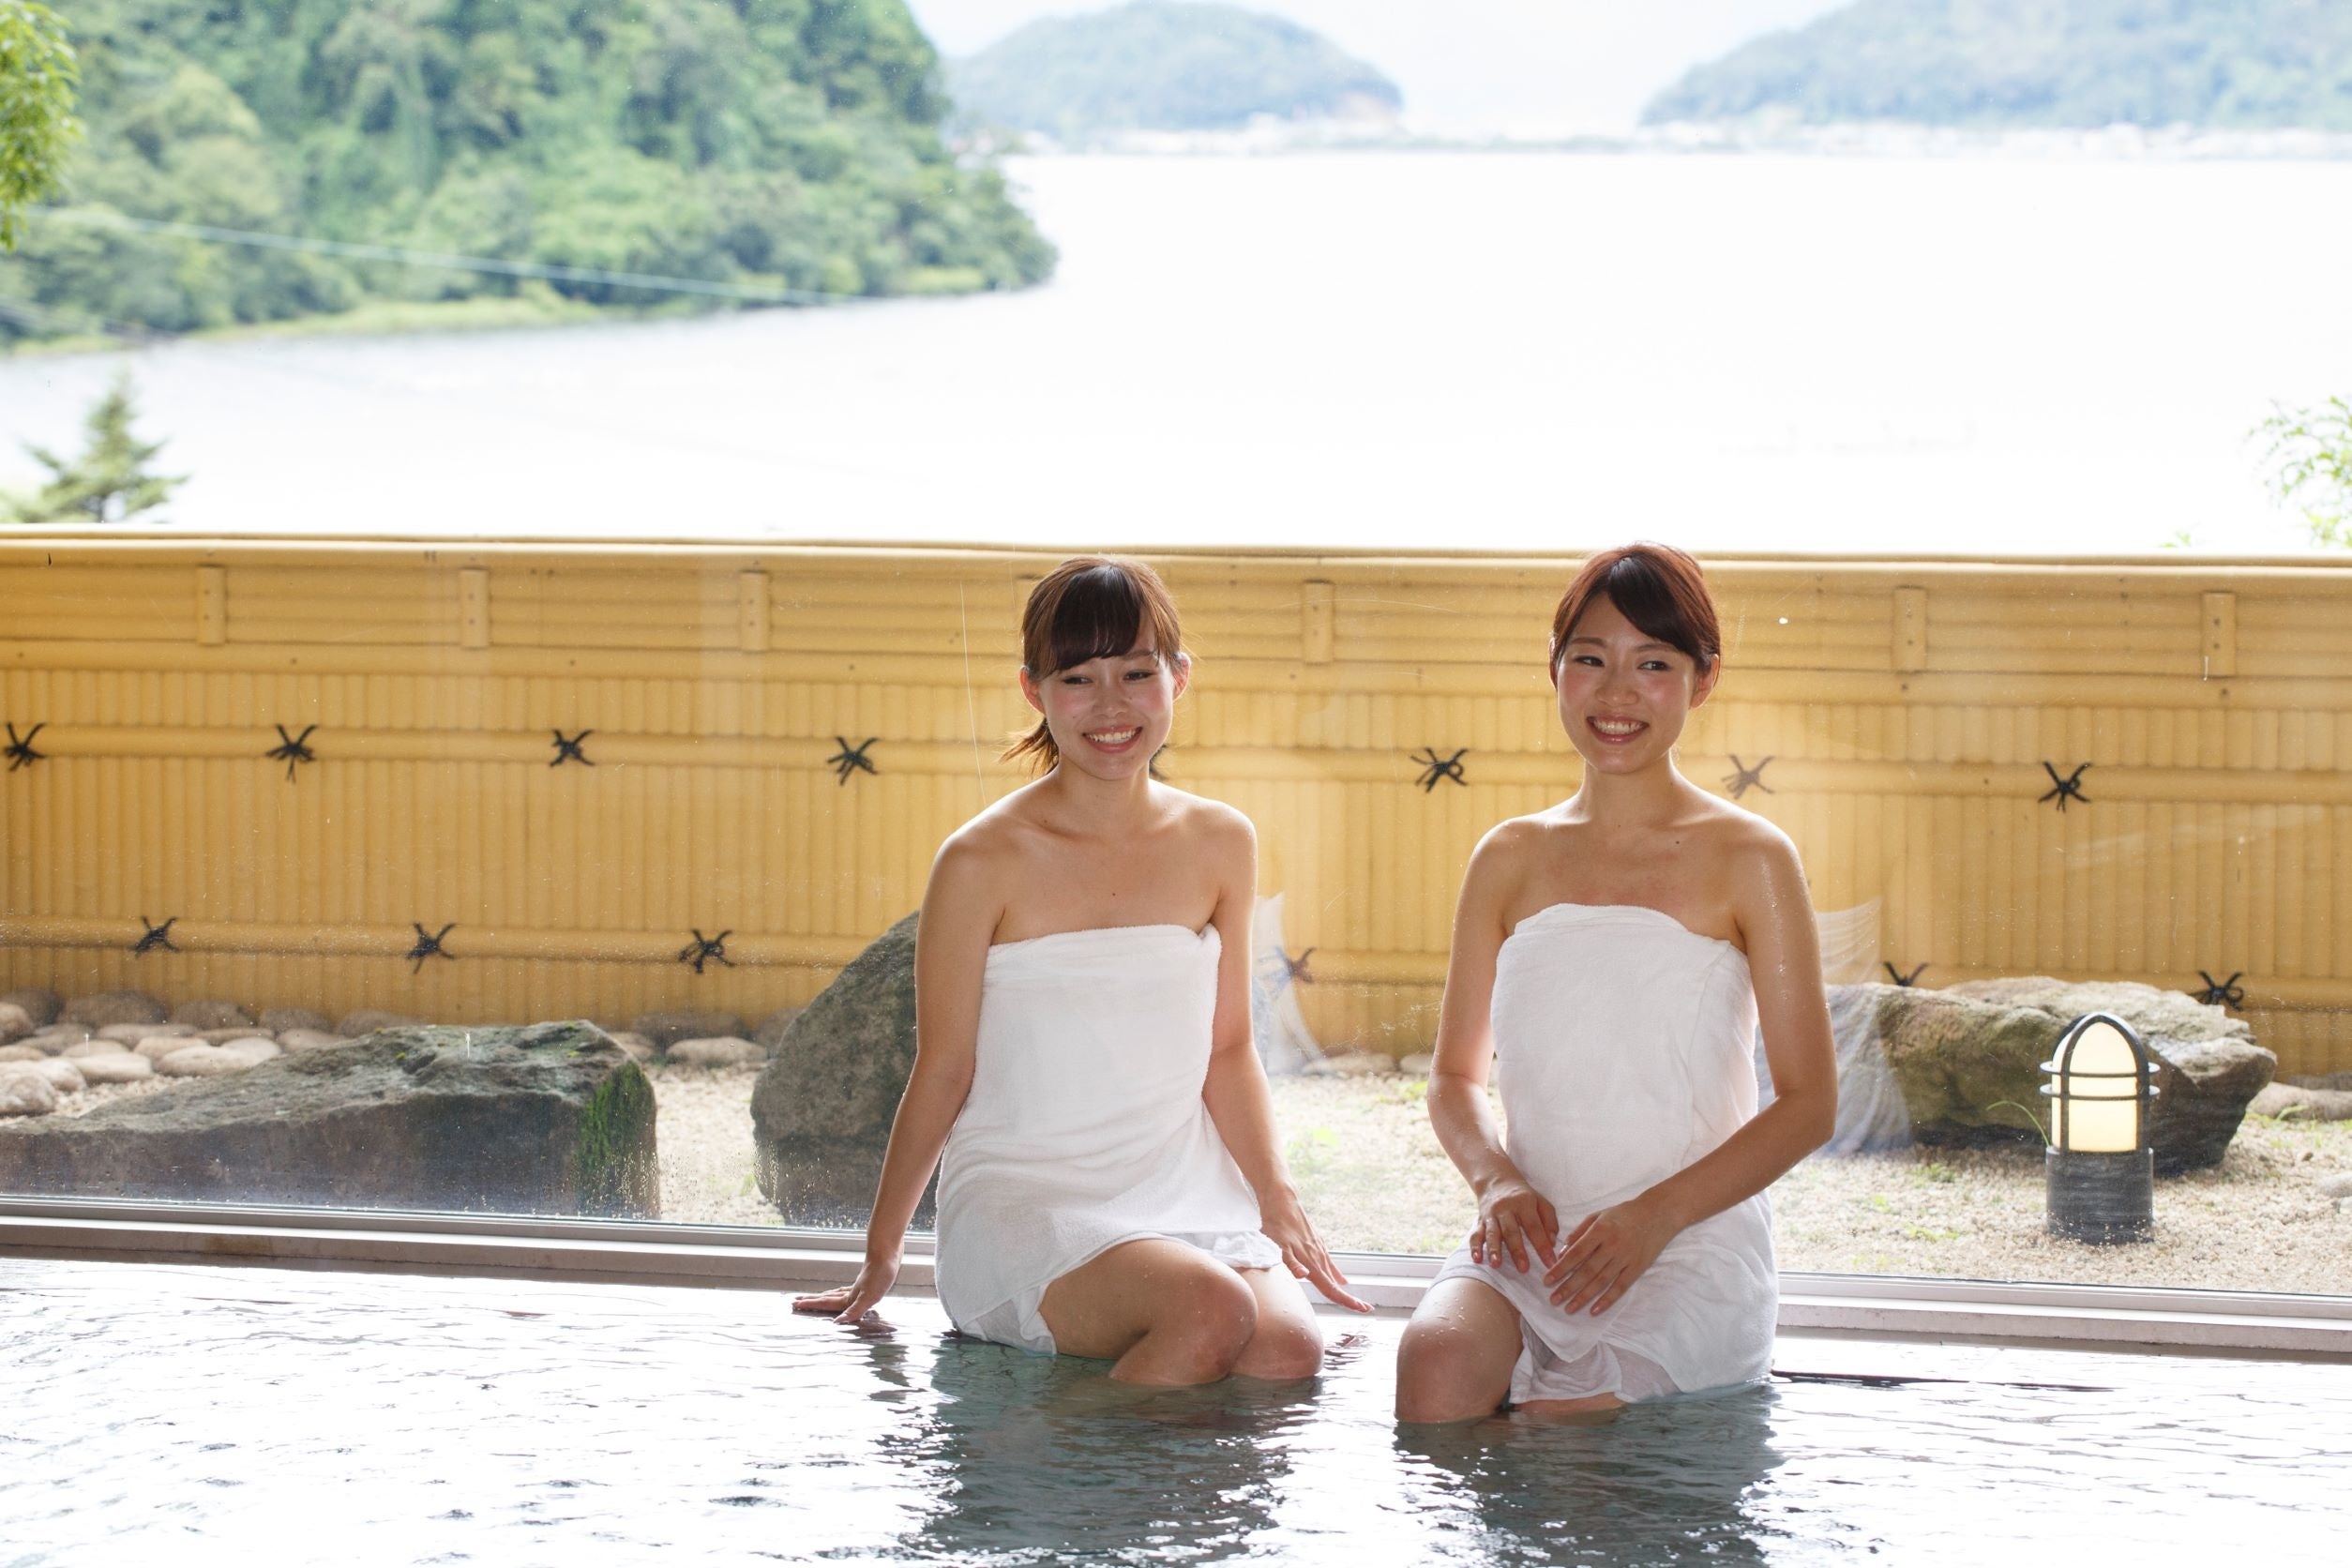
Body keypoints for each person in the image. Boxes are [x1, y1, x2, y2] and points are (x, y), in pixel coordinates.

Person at [793, 555, 1369, 1384]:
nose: (1111, 705)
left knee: (1286, 1353)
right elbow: (943, 1067)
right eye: (1078, 678)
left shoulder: (1220, 842)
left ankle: (1136, 1493)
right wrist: (883, 1257)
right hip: (1031, 1201)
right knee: (1210, 1313)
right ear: (1034, 690)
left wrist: (1278, 1201)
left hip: (1180, 1185)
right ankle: (1056, 1485)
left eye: (1137, 672)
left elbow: (1230, 1049)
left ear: (1178, 678)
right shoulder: (981, 860)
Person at [1394, 543, 1836, 1422]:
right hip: (1535, 1236)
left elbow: (1809, 1103)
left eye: (1654, 665)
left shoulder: (1750, 858)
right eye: (1590, 659)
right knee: (1432, 1373)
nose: (1617, 692)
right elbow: (1453, 1079)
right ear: (1554, 671)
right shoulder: (1510, 857)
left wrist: (1654, 1218)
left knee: (1571, 1442)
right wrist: (1496, 1182)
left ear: (1702, 680)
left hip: (1685, 1244)